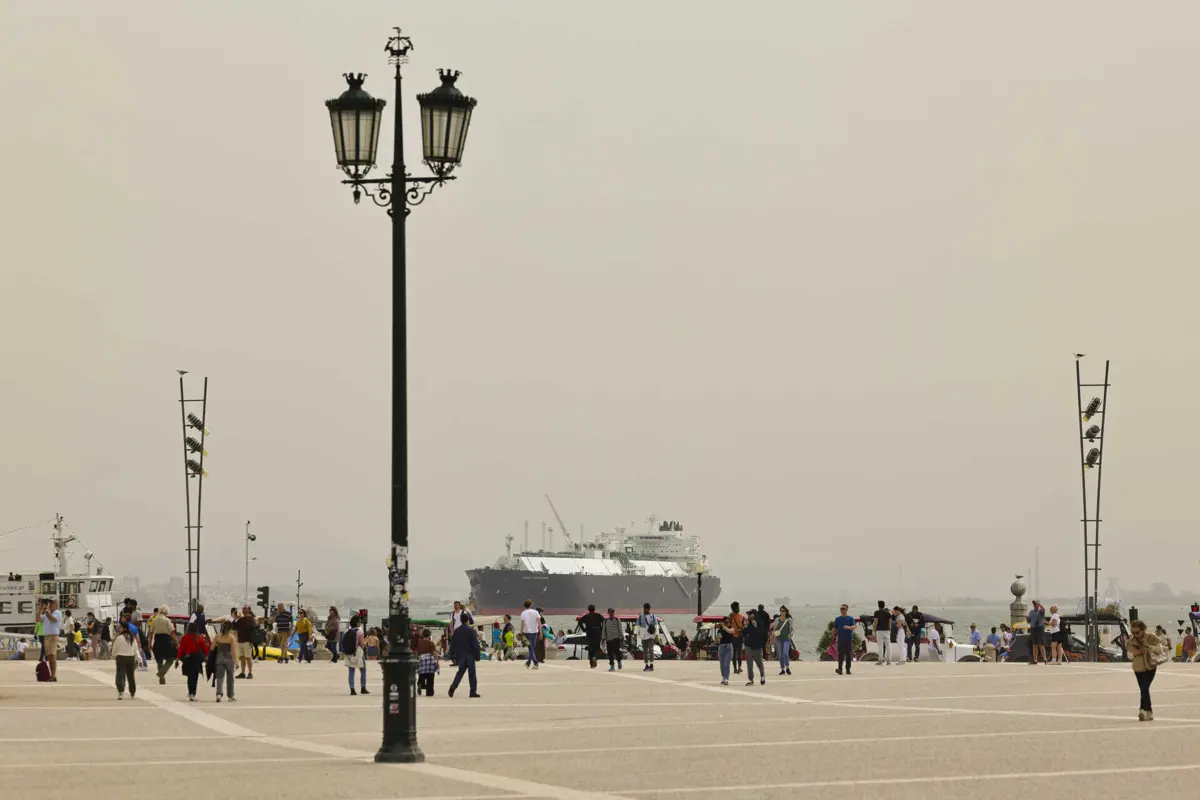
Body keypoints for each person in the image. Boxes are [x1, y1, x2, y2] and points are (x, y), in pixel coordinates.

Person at [1128, 619, 1163, 721]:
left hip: (1150, 666)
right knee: (1144, 688)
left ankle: (1143, 710)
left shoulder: (1151, 637)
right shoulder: (1131, 640)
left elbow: (1159, 650)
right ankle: (1148, 712)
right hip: (1138, 668)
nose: (1135, 634)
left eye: (1137, 632)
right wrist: (1137, 653)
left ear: (1143, 630)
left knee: (1144, 688)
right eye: (1133, 632)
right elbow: (1129, 656)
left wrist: (1149, 647)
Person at [447, 612, 481, 698]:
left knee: (460, 672)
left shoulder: (456, 631)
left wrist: (452, 655)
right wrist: (477, 655)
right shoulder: (471, 631)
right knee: (472, 674)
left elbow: (453, 644)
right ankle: (472, 692)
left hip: (460, 655)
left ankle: (453, 687)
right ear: (467, 620)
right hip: (470, 654)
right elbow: (475, 644)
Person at [177, 623, 210, 701]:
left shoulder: (184, 637)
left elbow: (181, 649)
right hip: (196, 659)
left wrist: (178, 657)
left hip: (188, 659)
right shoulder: (198, 637)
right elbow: (205, 647)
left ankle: (190, 692)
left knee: (190, 677)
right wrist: (206, 655)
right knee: (195, 677)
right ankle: (193, 693)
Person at [148, 606, 177, 684]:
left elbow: (150, 634)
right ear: (165, 612)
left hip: (157, 641)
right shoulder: (167, 620)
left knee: (159, 660)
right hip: (166, 640)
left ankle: (161, 677)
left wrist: (149, 644)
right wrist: (176, 642)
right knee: (171, 658)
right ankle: (161, 673)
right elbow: (172, 633)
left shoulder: (154, 620)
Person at [341, 615, 368, 696]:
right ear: (357, 623)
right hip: (358, 653)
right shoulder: (360, 632)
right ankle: (363, 688)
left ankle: (352, 689)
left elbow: (343, 642)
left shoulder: (346, 631)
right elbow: (362, 644)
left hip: (349, 653)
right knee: (363, 670)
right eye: (359, 621)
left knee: (351, 672)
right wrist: (366, 642)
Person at [112, 619, 139, 699]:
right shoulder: (132, 638)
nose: (119, 629)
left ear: (123, 628)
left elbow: (115, 648)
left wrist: (113, 655)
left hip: (121, 658)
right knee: (131, 676)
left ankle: (121, 692)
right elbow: (135, 649)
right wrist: (137, 658)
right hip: (131, 658)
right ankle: (132, 692)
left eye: (120, 627)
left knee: (120, 675)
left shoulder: (119, 638)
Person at [212, 621, 237, 702]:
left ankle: (219, 694)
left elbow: (211, 648)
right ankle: (230, 696)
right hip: (229, 659)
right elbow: (233, 651)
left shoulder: (217, 636)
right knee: (230, 678)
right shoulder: (231, 637)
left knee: (219, 677)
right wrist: (236, 661)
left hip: (219, 658)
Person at [40, 599, 63, 682]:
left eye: (51, 603)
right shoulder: (47, 612)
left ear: (55, 605)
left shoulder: (57, 613)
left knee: (52, 656)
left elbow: (52, 619)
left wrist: (47, 612)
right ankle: (51, 675)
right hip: (46, 636)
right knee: (49, 657)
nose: (49, 605)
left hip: (53, 636)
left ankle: (53, 675)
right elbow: (38, 619)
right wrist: (40, 610)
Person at [743, 608, 767, 685]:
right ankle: (751, 679)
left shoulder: (760, 623)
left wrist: (756, 626)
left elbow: (761, 633)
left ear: (754, 615)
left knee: (759, 663)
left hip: (757, 646)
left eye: (750, 614)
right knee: (749, 663)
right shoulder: (747, 624)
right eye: (748, 614)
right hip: (749, 645)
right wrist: (745, 627)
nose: (748, 615)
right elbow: (743, 634)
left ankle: (762, 676)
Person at [833, 604, 856, 676]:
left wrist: (848, 627)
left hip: (848, 639)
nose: (842, 610)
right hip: (841, 639)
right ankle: (840, 669)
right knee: (840, 655)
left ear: (847, 610)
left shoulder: (850, 618)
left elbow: (854, 627)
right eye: (841, 609)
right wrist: (834, 632)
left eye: (844, 609)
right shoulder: (837, 619)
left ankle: (848, 669)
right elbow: (835, 628)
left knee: (848, 654)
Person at [636, 603, 659, 672]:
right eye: (644, 608)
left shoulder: (653, 616)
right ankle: (646, 665)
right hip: (643, 636)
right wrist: (636, 634)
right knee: (645, 651)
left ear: (648, 609)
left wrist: (657, 635)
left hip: (651, 636)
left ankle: (651, 665)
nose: (644, 610)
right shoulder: (640, 617)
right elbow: (637, 625)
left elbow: (656, 625)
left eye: (645, 609)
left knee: (651, 650)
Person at [234, 606, 256, 680]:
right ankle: (242, 673)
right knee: (242, 657)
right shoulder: (240, 620)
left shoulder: (251, 619)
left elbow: (254, 629)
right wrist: (235, 618)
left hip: (247, 641)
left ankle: (250, 673)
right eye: (243, 608)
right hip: (240, 640)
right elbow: (234, 627)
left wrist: (252, 641)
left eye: (245, 608)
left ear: (249, 610)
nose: (243, 609)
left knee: (248, 657)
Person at [416, 629, 439, 696]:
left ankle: (421, 684)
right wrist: (437, 662)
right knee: (430, 676)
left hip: (421, 659)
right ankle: (429, 692)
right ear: (429, 635)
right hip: (429, 661)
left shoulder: (419, 642)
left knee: (421, 674)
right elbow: (435, 653)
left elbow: (417, 651)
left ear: (422, 635)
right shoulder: (431, 643)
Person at [520, 600, 541, 669]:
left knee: (530, 648)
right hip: (535, 632)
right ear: (531, 605)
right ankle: (533, 663)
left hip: (527, 633)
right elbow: (539, 623)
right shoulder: (536, 612)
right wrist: (541, 633)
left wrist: (521, 633)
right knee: (532, 648)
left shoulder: (523, 613)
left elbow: (522, 624)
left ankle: (530, 662)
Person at [773, 606, 794, 676]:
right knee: (780, 655)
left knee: (785, 653)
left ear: (786, 612)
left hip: (786, 639)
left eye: (783, 611)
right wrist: (773, 635)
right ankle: (782, 669)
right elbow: (774, 629)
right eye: (781, 611)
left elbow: (792, 630)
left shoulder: (789, 620)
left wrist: (790, 635)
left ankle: (787, 667)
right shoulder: (777, 620)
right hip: (778, 639)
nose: (782, 612)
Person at [717, 615, 736, 685]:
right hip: (721, 647)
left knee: (726, 664)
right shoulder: (720, 630)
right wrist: (719, 636)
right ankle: (723, 677)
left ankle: (726, 678)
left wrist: (724, 627)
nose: (727, 623)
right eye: (725, 622)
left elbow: (730, 631)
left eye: (728, 622)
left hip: (729, 648)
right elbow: (718, 638)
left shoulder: (731, 628)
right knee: (722, 665)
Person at [1027, 601, 1047, 665]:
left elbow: (1043, 609)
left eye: (1036, 604)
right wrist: (1027, 618)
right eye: (1034, 604)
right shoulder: (1031, 612)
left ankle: (1045, 659)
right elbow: (1028, 621)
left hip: (1040, 628)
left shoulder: (1041, 611)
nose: (1034, 605)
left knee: (1041, 644)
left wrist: (1039, 604)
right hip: (1033, 628)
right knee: (1034, 645)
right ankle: (1035, 660)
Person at [873, 601, 891, 667]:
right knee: (888, 646)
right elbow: (890, 622)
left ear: (878, 605)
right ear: (884, 605)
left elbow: (876, 622)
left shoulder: (876, 612)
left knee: (880, 646)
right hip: (887, 630)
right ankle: (889, 661)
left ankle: (880, 660)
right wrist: (889, 629)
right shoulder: (888, 613)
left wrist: (874, 630)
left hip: (879, 630)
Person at [729, 602, 746, 675]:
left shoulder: (742, 616)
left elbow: (744, 626)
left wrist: (741, 629)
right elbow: (728, 625)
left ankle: (739, 667)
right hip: (733, 637)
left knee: (739, 653)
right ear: (733, 608)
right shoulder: (730, 616)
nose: (738, 608)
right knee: (733, 654)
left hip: (739, 637)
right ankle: (735, 668)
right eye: (737, 607)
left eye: (738, 607)